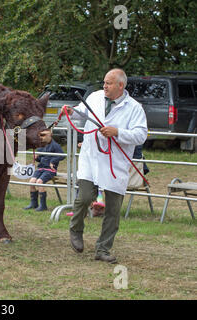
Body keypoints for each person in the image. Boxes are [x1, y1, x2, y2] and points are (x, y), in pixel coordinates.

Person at [65, 68, 147, 264]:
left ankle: (103, 248)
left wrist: (118, 132)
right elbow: (80, 113)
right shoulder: (94, 97)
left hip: (115, 163)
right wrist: (71, 111)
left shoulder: (134, 108)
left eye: (109, 83)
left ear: (121, 85)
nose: (104, 86)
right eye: (104, 82)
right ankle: (75, 229)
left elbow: (141, 134)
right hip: (91, 157)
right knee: (84, 197)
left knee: (112, 209)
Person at [24, 129, 65, 211]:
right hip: (41, 168)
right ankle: (34, 203)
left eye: (44, 135)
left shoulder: (55, 145)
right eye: (40, 135)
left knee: (39, 182)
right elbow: (41, 158)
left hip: (50, 170)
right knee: (32, 181)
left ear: (50, 135)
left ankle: (43, 206)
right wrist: (37, 158)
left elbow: (62, 155)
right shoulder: (41, 146)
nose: (41, 137)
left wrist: (53, 161)